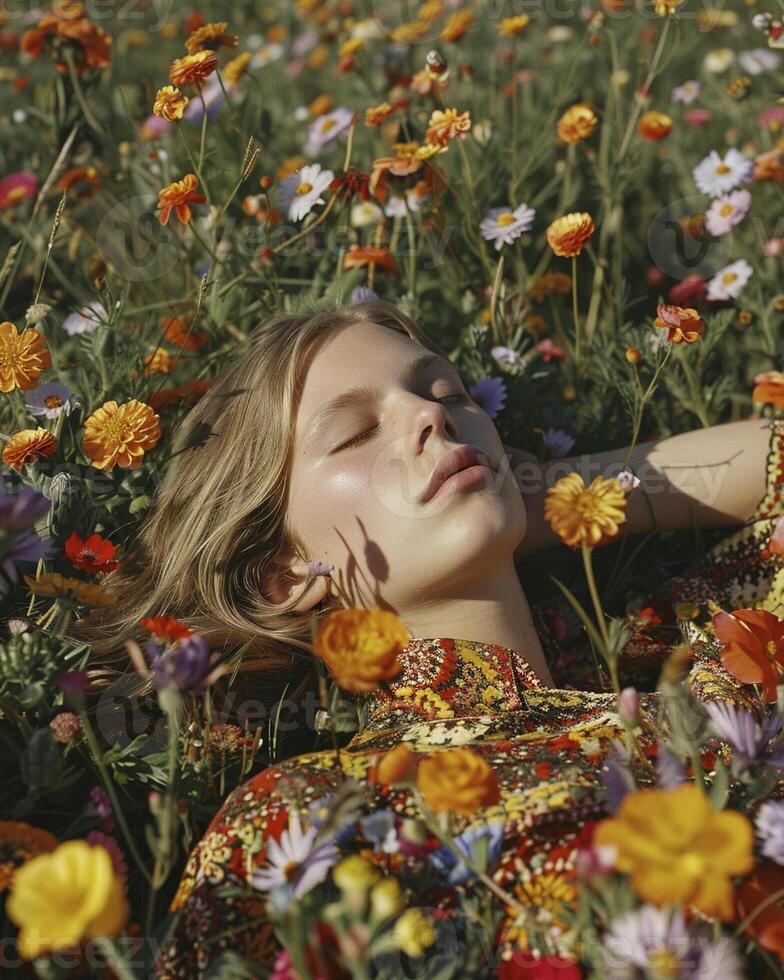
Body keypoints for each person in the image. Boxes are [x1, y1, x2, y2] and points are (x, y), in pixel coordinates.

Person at [73, 300, 783, 976]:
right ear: (282, 577)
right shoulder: (313, 815)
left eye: (449, 393)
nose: (428, 416)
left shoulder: (708, 648)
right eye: (354, 433)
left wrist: (549, 495)